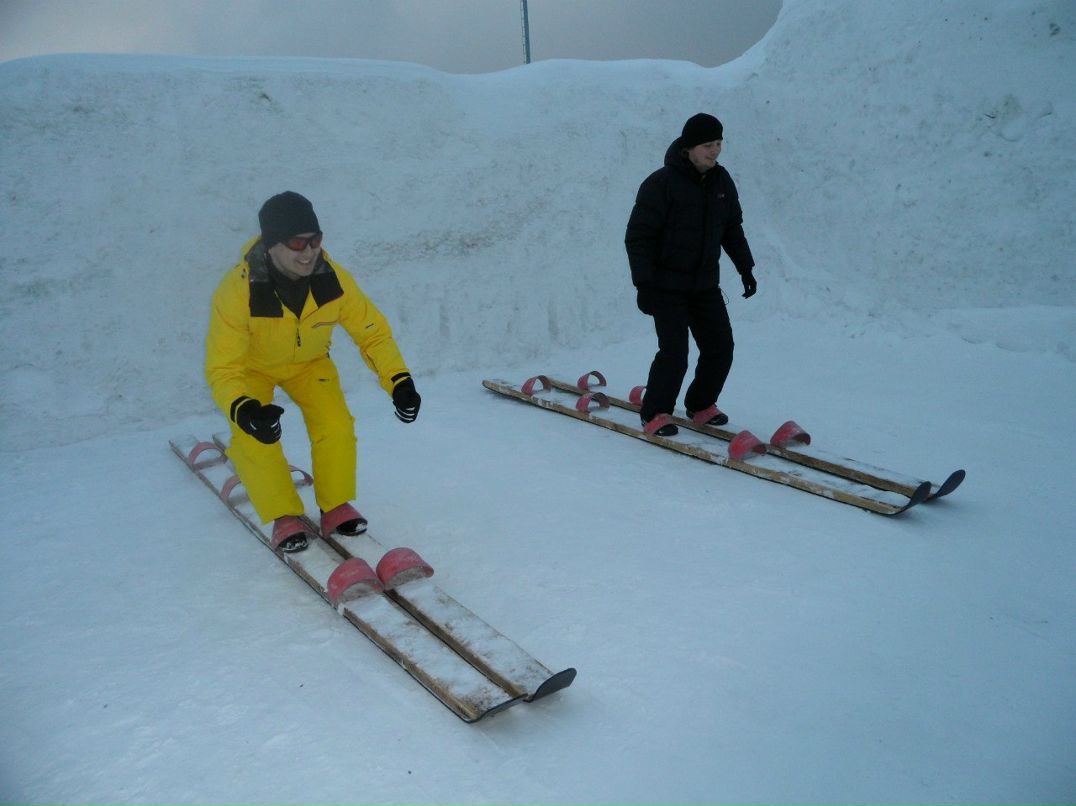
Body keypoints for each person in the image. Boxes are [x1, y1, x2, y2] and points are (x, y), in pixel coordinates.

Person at [205, 191, 421, 553]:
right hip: (252, 370)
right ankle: (283, 514)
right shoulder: (238, 289)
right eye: (296, 242)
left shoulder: (331, 280)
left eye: (315, 240)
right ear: (272, 244)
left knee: (336, 424)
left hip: (309, 363)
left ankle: (335, 505)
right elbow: (223, 366)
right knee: (254, 434)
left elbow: (372, 333)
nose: (308, 252)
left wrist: (398, 380)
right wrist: (243, 407)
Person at [625, 113, 757, 437]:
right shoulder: (661, 184)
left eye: (718, 143)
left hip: (704, 285)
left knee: (720, 346)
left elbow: (731, 230)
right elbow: (638, 237)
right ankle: (655, 412)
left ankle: (700, 404)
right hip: (666, 286)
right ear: (689, 147)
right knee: (675, 353)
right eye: (708, 145)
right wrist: (644, 284)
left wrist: (746, 268)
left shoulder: (721, 182)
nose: (715, 151)